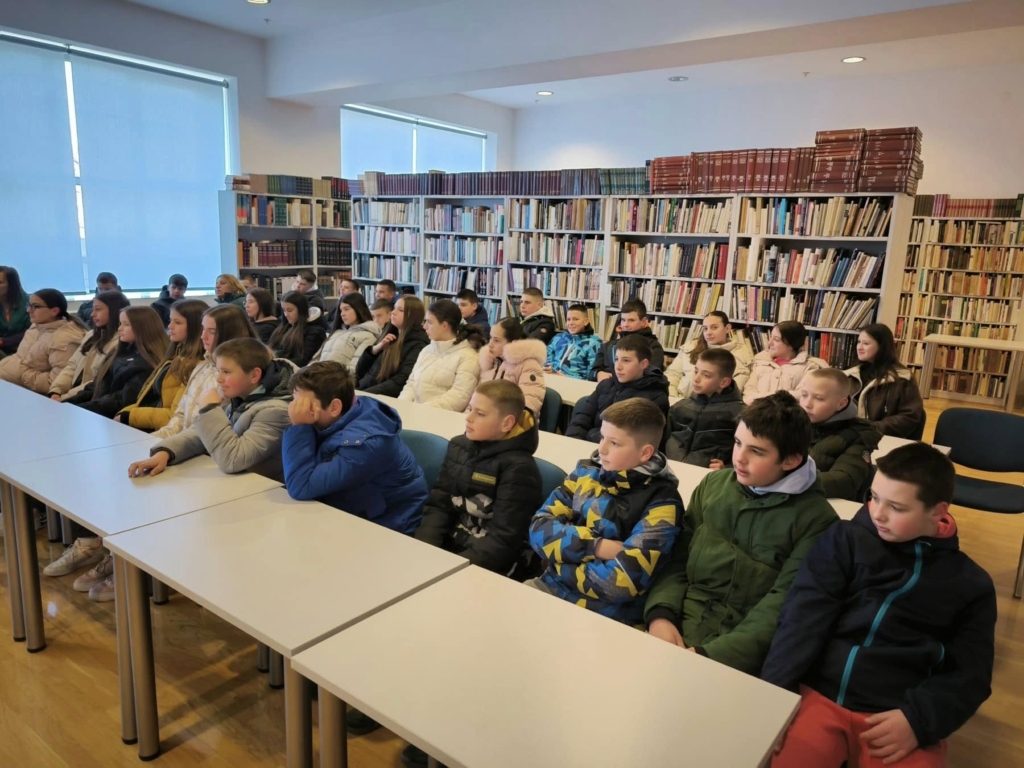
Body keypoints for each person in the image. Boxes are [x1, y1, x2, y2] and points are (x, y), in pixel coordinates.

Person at [763, 444, 995, 768]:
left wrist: (918, 720)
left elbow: (971, 674)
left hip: (898, 713)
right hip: (819, 695)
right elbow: (801, 619)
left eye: (896, 507)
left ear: (938, 511)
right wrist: (775, 695)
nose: (877, 513)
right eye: (873, 496)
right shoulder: (844, 540)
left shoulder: (971, 584)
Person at [644, 392, 837, 674]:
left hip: (736, 656)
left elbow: (782, 604)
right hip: (675, 625)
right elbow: (677, 557)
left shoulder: (817, 521)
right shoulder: (713, 485)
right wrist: (661, 615)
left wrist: (710, 656)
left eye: (757, 451)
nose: (739, 458)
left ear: (790, 460)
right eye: (737, 443)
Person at [527, 398, 683, 624]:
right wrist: (597, 546)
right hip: (549, 588)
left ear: (645, 453)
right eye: (602, 437)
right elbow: (538, 528)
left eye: (614, 443)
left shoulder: (662, 503)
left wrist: (559, 560)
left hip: (608, 615)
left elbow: (622, 583)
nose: (601, 449)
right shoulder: (585, 473)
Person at [282, 361, 428, 532]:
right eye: (295, 402)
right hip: (348, 507)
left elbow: (301, 486)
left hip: (385, 525)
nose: (295, 410)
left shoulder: (366, 445)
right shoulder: (345, 410)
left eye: (303, 404)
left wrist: (299, 427)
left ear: (335, 407)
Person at [128, 338, 294, 483]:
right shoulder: (241, 395)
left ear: (254, 375)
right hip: (236, 487)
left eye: (226, 372)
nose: (218, 379)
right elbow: (202, 433)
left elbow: (233, 460)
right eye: (218, 370)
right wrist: (165, 452)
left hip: (262, 494)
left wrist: (209, 409)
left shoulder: (276, 411)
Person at [153, 304, 258, 439]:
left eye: (212, 331)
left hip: (204, 446)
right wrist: (153, 440)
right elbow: (180, 416)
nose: (203, 336)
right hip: (182, 443)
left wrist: (171, 446)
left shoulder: (237, 375)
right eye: (203, 329)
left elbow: (216, 430)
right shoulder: (202, 366)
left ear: (230, 334)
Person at [116, 299, 206, 432]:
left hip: (162, 431)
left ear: (195, 327)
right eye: (170, 320)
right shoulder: (175, 355)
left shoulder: (195, 366)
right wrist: (125, 413)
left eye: (177, 322)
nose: (170, 326)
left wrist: (128, 416)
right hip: (151, 425)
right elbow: (146, 400)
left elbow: (174, 416)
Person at [66, 306, 169, 418]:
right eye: (120, 323)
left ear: (143, 328)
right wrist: (68, 403)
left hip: (114, 419)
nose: (120, 328)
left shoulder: (147, 364)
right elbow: (97, 386)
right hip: (98, 414)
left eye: (126, 324)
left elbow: (121, 400)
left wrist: (77, 409)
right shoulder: (120, 353)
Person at [566, 334, 669, 443]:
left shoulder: (655, 398)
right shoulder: (606, 385)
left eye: (626, 361)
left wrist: (592, 435)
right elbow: (582, 418)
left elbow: (631, 440)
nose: (618, 366)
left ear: (643, 364)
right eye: (616, 359)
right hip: (588, 445)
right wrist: (574, 440)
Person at [798, 368, 881, 501]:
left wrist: (792, 480)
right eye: (804, 395)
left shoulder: (858, 435)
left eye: (819, 398)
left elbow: (845, 481)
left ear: (841, 404)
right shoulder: (792, 423)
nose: (807, 404)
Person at [399, 299, 484, 412]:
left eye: (429, 322)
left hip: (439, 416)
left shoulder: (468, 356)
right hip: (415, 412)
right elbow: (411, 384)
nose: (424, 327)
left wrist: (421, 410)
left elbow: (459, 397)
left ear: (444, 325)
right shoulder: (427, 350)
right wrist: (401, 407)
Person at [665, 348, 744, 468]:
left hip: (707, 474)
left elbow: (747, 453)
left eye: (706, 375)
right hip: (671, 468)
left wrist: (727, 469)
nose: (696, 379)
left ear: (724, 382)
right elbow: (664, 440)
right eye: (696, 371)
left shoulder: (739, 414)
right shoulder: (680, 407)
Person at [845, 324, 926, 440]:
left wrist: (869, 429)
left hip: (882, 438)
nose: (859, 347)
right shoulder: (850, 374)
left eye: (866, 343)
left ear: (882, 346)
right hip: (851, 437)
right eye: (859, 342)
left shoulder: (902, 378)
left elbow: (909, 416)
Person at [49, 291, 131, 402]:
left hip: (90, 399)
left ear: (114, 311)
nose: (92, 314)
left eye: (98, 309)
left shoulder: (120, 343)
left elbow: (97, 381)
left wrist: (64, 397)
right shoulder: (91, 335)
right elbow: (72, 366)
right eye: (93, 309)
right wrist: (56, 391)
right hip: (71, 396)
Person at [0, 289, 86, 394]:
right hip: (10, 384)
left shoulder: (64, 339)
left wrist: (21, 374)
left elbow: (56, 382)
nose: (28, 310)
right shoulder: (37, 326)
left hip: (28, 393)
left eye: (35, 306)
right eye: (29, 305)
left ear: (54, 311)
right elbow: (20, 358)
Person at [666, 311, 753, 398]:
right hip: (679, 399)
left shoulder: (739, 353)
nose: (708, 332)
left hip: (715, 404)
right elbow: (672, 374)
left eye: (714, 327)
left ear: (727, 328)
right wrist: (671, 397)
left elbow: (735, 387)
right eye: (705, 328)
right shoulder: (691, 346)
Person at [355, 295, 429, 397]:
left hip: (380, 397)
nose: (393, 312)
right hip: (364, 390)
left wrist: (364, 394)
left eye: (400, 310)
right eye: (394, 308)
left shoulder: (418, 344)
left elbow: (400, 382)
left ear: (412, 316)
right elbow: (360, 371)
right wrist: (374, 350)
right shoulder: (389, 334)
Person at [744, 320, 828, 404]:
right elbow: (748, 391)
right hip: (755, 410)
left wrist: (759, 398)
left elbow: (800, 395)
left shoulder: (810, 367)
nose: (769, 342)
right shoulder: (761, 360)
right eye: (771, 337)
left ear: (791, 345)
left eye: (776, 339)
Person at [478, 317, 546, 415]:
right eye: (490, 338)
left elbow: (527, 407)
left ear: (512, 343)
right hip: (484, 418)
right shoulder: (491, 361)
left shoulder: (529, 365)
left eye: (496, 340)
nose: (490, 344)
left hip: (510, 421)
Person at [591, 299, 665, 381]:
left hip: (636, 388)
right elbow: (592, 373)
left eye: (631, 320)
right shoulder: (608, 346)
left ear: (643, 322)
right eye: (623, 320)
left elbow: (652, 376)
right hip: (605, 386)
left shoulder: (653, 346)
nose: (625, 324)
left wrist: (616, 379)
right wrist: (598, 374)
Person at [312, 292, 379, 374]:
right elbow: (315, 359)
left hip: (336, 378)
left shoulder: (368, 336)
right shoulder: (336, 332)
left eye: (346, 309)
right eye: (341, 310)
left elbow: (354, 369)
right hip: (317, 375)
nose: (342, 314)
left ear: (358, 309)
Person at [268, 290, 327, 368]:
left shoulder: (315, 332)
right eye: (284, 310)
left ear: (301, 310)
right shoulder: (283, 328)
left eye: (290, 310)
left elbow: (304, 361)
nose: (286, 314)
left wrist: (276, 363)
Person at [544, 304, 603, 380]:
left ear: (586, 321)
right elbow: (547, 360)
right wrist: (548, 370)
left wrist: (565, 378)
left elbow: (592, 375)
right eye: (568, 319)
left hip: (575, 383)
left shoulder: (594, 343)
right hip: (551, 378)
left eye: (575, 319)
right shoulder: (558, 338)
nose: (571, 323)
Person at [0, 265, 30, 357]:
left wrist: (4, 341)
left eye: (0, 282)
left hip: (25, 349)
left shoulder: (30, 303)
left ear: (11, 285)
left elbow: (34, 331)